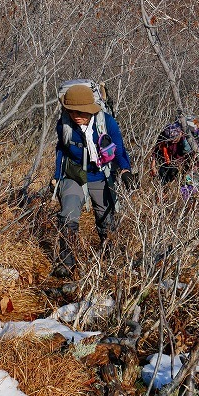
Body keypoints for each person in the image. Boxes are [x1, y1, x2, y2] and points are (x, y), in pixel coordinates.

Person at [53, 84, 132, 279]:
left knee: (106, 220)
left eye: (82, 111)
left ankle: (110, 257)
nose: (76, 115)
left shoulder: (107, 123)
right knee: (67, 214)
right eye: (72, 111)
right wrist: (56, 176)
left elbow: (119, 150)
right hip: (74, 175)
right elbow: (61, 150)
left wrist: (125, 170)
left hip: (101, 175)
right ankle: (66, 262)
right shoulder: (64, 124)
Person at [151, 116, 199, 195]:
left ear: (181, 133)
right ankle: (161, 199)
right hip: (169, 162)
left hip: (187, 164)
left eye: (174, 139)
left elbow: (196, 155)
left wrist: (192, 168)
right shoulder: (166, 133)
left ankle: (189, 201)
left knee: (189, 186)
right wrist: (153, 165)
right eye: (170, 140)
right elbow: (156, 148)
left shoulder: (190, 140)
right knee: (162, 181)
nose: (172, 141)